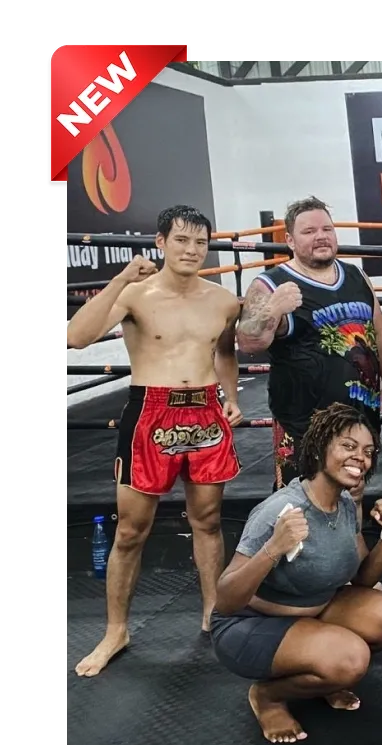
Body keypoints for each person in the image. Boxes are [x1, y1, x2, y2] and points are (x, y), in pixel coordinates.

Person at [66, 205, 243, 677]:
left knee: (207, 519)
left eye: (200, 242)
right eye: (181, 240)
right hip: (150, 411)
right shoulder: (136, 295)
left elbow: (224, 350)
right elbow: (77, 336)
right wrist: (122, 278)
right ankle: (115, 630)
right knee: (130, 530)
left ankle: (213, 613)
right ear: (160, 242)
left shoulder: (223, 300)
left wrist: (229, 395)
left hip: (205, 410)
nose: (192, 250)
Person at [211, 403, 382, 744]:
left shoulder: (345, 503)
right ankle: (269, 696)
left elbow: (363, 580)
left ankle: (324, 676)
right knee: (351, 661)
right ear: (321, 450)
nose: (360, 458)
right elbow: (226, 601)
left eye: (367, 451)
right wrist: (273, 549)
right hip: (249, 624)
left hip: (314, 611)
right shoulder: (280, 509)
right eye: (348, 446)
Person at [235, 196, 382, 513]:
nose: (321, 236)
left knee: (353, 493)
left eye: (327, 228)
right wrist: (272, 311)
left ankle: (350, 560)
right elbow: (248, 342)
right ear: (290, 240)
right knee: (300, 500)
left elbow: (380, 331)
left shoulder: (355, 276)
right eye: (309, 231)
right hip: (303, 420)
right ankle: (301, 562)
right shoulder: (271, 283)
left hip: (359, 414)